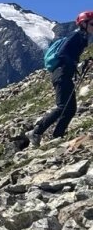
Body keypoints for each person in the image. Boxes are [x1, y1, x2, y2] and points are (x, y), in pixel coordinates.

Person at [27, 11, 93, 147]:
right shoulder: (76, 36)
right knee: (63, 106)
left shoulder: (82, 37)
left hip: (64, 73)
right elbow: (62, 53)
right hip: (61, 73)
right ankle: (37, 131)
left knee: (70, 109)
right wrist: (76, 64)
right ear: (84, 24)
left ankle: (58, 135)